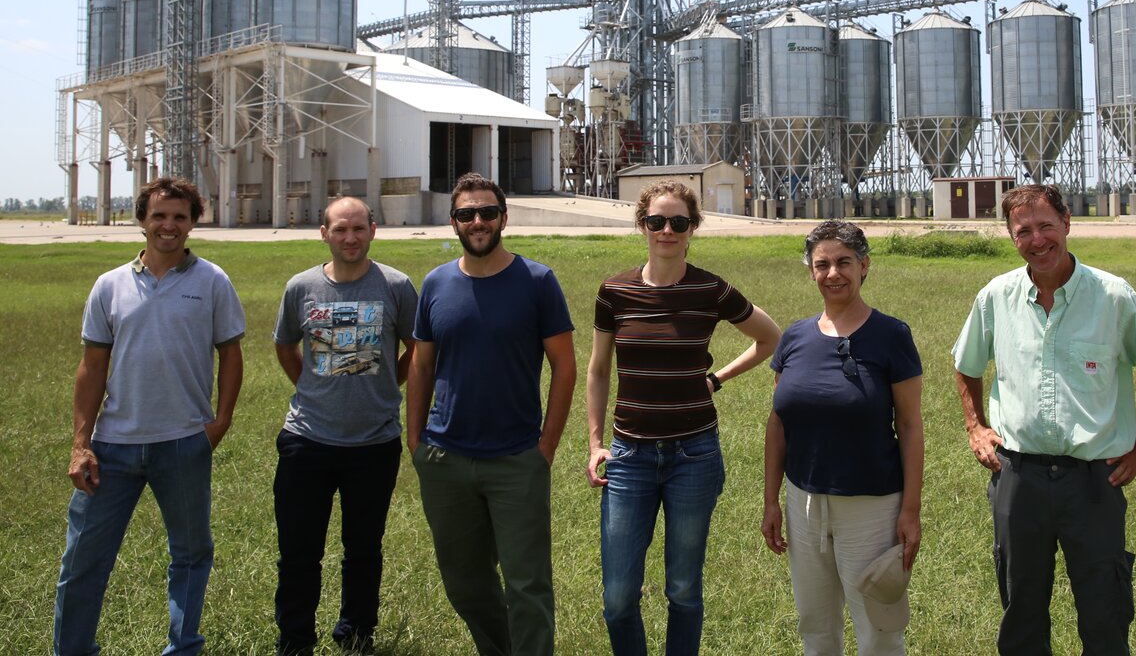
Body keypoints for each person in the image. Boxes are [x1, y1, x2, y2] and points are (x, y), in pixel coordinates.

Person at [951, 183, 1136, 656]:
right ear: (1012, 237)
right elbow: (966, 364)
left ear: (1067, 223)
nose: (1037, 240)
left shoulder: (1114, 297)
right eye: (1024, 230)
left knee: (1105, 609)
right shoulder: (996, 296)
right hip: (1019, 476)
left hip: (1094, 482)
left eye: (1046, 226)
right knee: (1021, 609)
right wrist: (976, 426)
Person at [585, 181, 781, 656]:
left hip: (694, 454)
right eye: (656, 221)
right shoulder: (615, 291)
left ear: (693, 228)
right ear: (641, 225)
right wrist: (595, 442)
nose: (666, 231)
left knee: (684, 590)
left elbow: (769, 337)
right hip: (629, 455)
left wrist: (717, 378)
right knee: (616, 597)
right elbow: (597, 370)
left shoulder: (710, 289)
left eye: (678, 222)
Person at [53, 177, 246, 656]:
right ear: (142, 220)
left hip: (183, 442)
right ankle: (72, 650)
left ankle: (183, 647)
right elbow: (92, 367)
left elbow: (232, 355)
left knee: (190, 555)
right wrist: (81, 444)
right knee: (83, 560)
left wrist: (218, 423)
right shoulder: (110, 285)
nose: (169, 225)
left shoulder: (213, 281)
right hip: (112, 446)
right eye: (159, 215)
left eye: (180, 217)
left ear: (193, 223)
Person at [407, 172, 576, 656]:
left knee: (527, 586)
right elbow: (421, 365)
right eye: (466, 214)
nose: (477, 222)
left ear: (504, 217)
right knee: (464, 582)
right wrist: (415, 440)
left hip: (516, 459)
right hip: (445, 457)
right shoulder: (437, 284)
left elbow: (564, 367)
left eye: (486, 212)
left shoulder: (537, 281)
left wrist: (545, 447)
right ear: (453, 222)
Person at [761, 220, 923, 656]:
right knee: (815, 626)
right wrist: (772, 500)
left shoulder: (892, 335)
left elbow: (909, 426)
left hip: (871, 505)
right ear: (811, 271)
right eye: (822, 264)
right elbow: (778, 422)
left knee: (879, 629)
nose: (834, 273)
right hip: (804, 502)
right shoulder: (794, 337)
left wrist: (910, 510)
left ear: (865, 266)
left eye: (844, 262)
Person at [271, 195, 418, 655]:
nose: (350, 237)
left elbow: (416, 348)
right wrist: (313, 386)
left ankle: (356, 633)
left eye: (358, 228)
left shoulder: (396, 286)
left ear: (374, 230)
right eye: (340, 229)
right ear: (324, 233)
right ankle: (295, 639)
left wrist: (385, 387)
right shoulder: (301, 287)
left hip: (374, 443)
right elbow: (284, 346)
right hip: (306, 441)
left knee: (363, 548)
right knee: (299, 551)